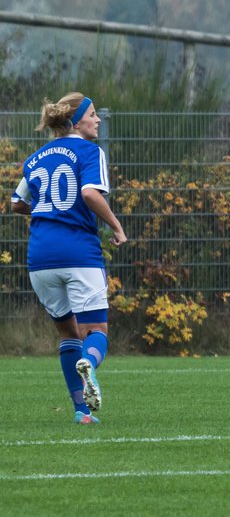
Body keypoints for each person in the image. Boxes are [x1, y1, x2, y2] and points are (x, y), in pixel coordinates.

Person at [10, 93, 128, 425]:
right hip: (79, 253)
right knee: (96, 332)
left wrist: (47, 213)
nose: (98, 120)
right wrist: (116, 226)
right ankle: (89, 363)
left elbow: (16, 203)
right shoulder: (91, 151)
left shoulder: (35, 158)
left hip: (41, 257)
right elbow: (90, 193)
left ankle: (82, 412)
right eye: (93, 114)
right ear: (76, 121)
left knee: (67, 335)